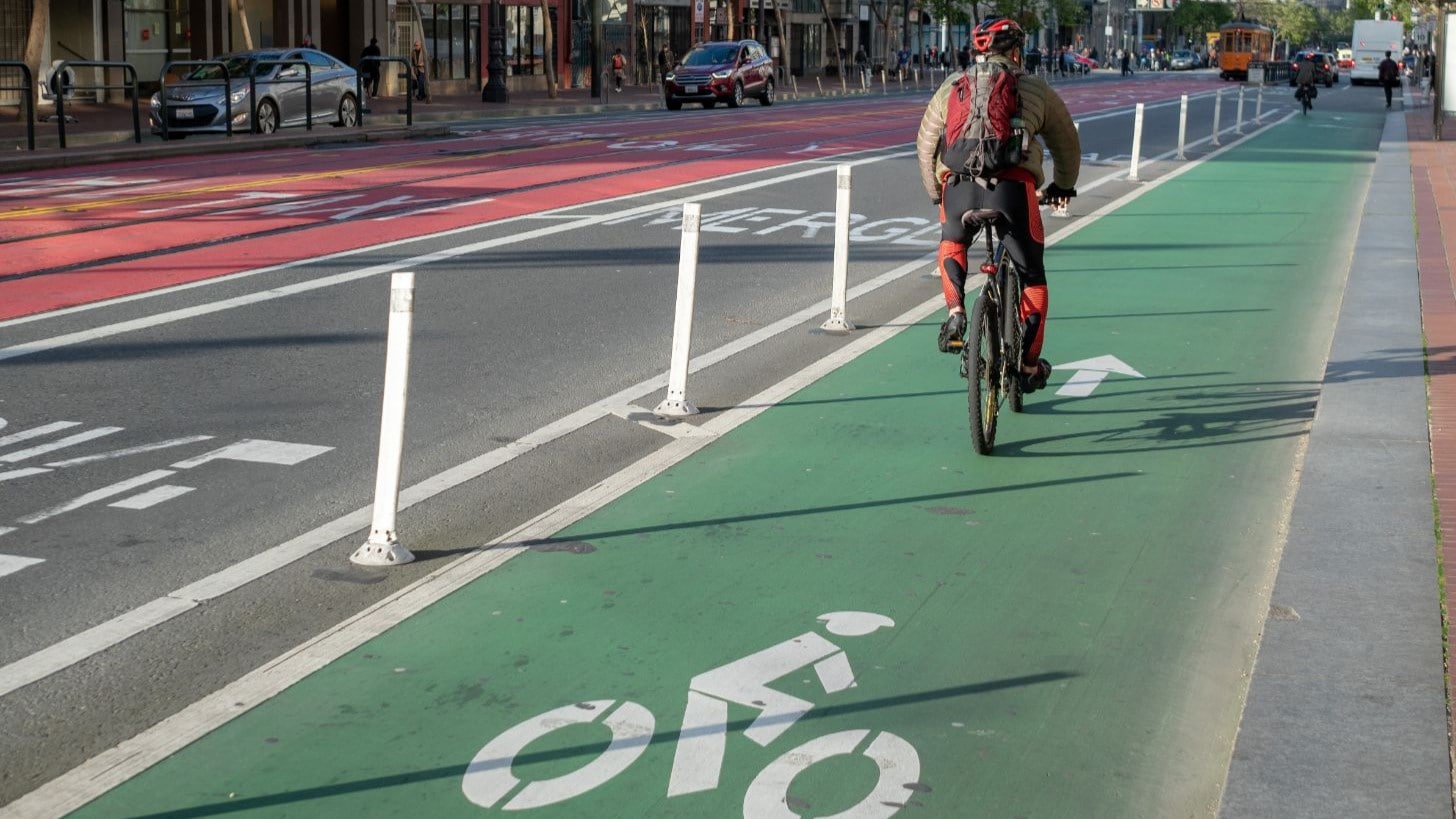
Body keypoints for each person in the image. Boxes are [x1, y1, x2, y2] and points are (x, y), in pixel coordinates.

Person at [915, 16, 1080, 393]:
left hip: (958, 188)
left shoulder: (951, 88)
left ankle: (956, 313)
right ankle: (1026, 367)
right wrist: (1063, 186)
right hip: (1013, 192)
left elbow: (925, 146)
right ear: (1017, 51)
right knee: (1033, 277)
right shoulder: (1035, 88)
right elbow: (1067, 144)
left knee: (952, 242)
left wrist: (936, 193)